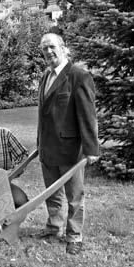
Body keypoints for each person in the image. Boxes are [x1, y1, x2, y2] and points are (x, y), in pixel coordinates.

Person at [37, 33, 99, 255]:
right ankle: (54, 227)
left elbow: (88, 115)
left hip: (70, 150)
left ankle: (74, 236)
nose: (48, 52)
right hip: (48, 148)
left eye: (52, 47)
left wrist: (91, 149)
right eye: (44, 49)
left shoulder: (78, 76)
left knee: (74, 197)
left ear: (63, 48)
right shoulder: (46, 76)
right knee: (52, 193)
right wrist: (39, 143)